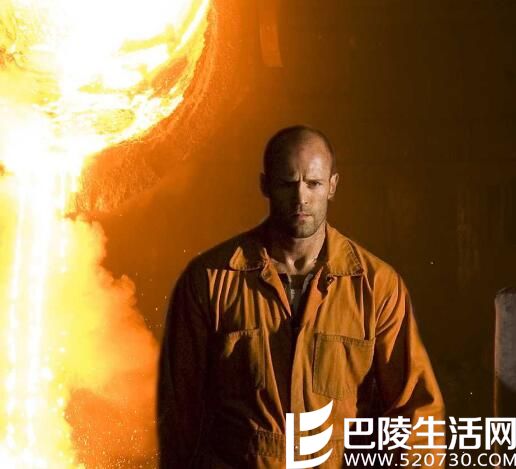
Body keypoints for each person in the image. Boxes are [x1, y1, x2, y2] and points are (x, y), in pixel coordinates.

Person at [157, 125, 445, 468]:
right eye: (287, 183)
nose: (301, 198)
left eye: (313, 183)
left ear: (332, 186)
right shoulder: (212, 279)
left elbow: (416, 411)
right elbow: (180, 414)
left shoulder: (376, 285)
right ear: (265, 185)